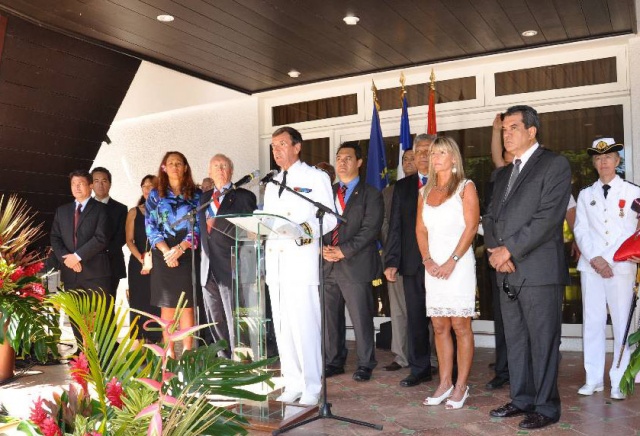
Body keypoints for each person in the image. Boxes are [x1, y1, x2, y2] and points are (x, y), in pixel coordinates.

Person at [485, 105, 571, 430]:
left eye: (513, 128)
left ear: (531, 131)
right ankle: (521, 399)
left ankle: (546, 407)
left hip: (538, 272)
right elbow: (490, 217)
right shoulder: (503, 174)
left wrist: (509, 249)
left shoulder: (554, 164)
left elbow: (547, 218)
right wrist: (496, 252)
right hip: (506, 270)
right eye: (504, 129)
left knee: (542, 342)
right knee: (516, 340)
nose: (506, 134)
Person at [262, 126, 337, 406]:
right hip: (277, 264)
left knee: (305, 326)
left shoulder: (315, 177)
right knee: (283, 328)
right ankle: (292, 382)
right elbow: (268, 219)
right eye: (273, 146)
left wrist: (302, 231)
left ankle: (312, 385)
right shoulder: (272, 182)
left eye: (282, 144)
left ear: (297, 146)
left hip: (300, 262)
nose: (276, 150)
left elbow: (330, 218)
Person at [573, 138, 640, 400]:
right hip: (591, 268)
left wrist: (609, 259)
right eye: (599, 159)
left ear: (617, 161)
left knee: (622, 322)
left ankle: (620, 379)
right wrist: (595, 259)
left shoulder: (633, 192)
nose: (604, 162)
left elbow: (630, 231)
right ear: (594, 163)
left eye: (608, 157)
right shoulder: (585, 194)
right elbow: (580, 229)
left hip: (620, 267)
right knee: (593, 322)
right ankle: (593, 378)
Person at [417, 137, 479, 409]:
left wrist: (453, 260)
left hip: (459, 264)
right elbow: (420, 229)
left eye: (442, 152)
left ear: (454, 158)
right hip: (432, 267)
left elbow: (472, 227)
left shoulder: (466, 187)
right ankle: (445, 383)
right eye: (433, 153)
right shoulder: (424, 192)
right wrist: (427, 260)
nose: (436, 157)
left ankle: (461, 386)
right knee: (439, 326)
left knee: (460, 326)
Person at [322, 143, 383, 382]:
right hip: (328, 265)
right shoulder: (327, 192)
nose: (342, 162)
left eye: (348, 158)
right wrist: (322, 249)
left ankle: (365, 363)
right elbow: (316, 224)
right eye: (339, 158)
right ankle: (334, 361)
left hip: (355, 265)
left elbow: (370, 230)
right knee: (330, 318)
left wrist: (343, 251)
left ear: (359, 162)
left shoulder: (371, 193)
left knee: (361, 318)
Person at [384, 134, 436, 387]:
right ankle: (420, 368)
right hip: (413, 264)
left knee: (444, 320)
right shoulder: (403, 187)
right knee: (416, 319)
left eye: (429, 150)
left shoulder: (449, 181)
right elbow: (395, 227)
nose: (423, 155)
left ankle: (451, 368)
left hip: (442, 265)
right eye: (419, 151)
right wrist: (391, 261)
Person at [198, 154, 257, 358]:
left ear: (231, 170)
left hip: (232, 265)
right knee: (215, 318)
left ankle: (241, 358)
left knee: (235, 317)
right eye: (216, 166)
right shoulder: (204, 198)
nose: (220, 170)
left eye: (224, 166)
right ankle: (224, 358)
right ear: (209, 171)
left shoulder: (243, 196)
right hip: (207, 268)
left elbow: (250, 232)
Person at [145, 151, 201, 357]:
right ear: (164, 168)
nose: (175, 166)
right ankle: (168, 353)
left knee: (187, 307)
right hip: (163, 255)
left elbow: (198, 227)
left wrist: (180, 249)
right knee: (167, 306)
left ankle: (187, 353)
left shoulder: (196, 194)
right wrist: (167, 251)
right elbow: (150, 226)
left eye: (179, 163)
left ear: (185, 167)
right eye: (171, 163)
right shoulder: (155, 195)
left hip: (186, 254)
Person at [380, 149, 415, 371]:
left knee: (425, 310)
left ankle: (430, 357)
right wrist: (394, 247)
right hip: (397, 258)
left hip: (424, 261)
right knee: (399, 309)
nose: (409, 162)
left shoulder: (431, 186)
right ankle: (401, 356)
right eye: (405, 159)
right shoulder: (390, 191)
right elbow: (384, 223)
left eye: (413, 158)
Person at [50, 170, 111, 295]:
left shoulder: (102, 209)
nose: (76, 187)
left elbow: (101, 238)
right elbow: (55, 237)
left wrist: (77, 257)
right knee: (74, 308)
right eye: (73, 184)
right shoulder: (62, 211)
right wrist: (67, 259)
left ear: (91, 186)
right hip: (70, 273)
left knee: (96, 308)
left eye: (81, 183)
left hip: (95, 274)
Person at [125, 175, 162, 343]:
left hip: (160, 263)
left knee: (157, 301)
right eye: (144, 186)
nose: (147, 189)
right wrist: (142, 258)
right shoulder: (134, 212)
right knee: (139, 300)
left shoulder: (164, 210)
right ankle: (139, 339)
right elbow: (129, 240)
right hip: (138, 263)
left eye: (151, 186)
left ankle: (156, 338)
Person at [91, 167, 128, 298]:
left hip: (111, 263)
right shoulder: (84, 208)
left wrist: (102, 252)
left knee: (108, 304)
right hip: (88, 264)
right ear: (91, 185)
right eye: (96, 181)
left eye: (104, 181)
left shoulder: (121, 209)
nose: (100, 184)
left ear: (110, 184)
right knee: (87, 305)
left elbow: (122, 236)